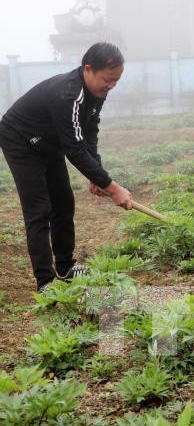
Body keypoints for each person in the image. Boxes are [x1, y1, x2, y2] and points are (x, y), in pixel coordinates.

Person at [0, 42, 133, 293]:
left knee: (63, 202)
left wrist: (97, 174)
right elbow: (74, 150)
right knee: (39, 209)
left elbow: (89, 132)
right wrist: (112, 187)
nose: (111, 86)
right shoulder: (69, 94)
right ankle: (46, 282)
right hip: (20, 140)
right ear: (88, 69)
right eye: (107, 79)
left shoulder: (96, 93)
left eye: (116, 81)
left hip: (49, 141)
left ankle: (65, 267)